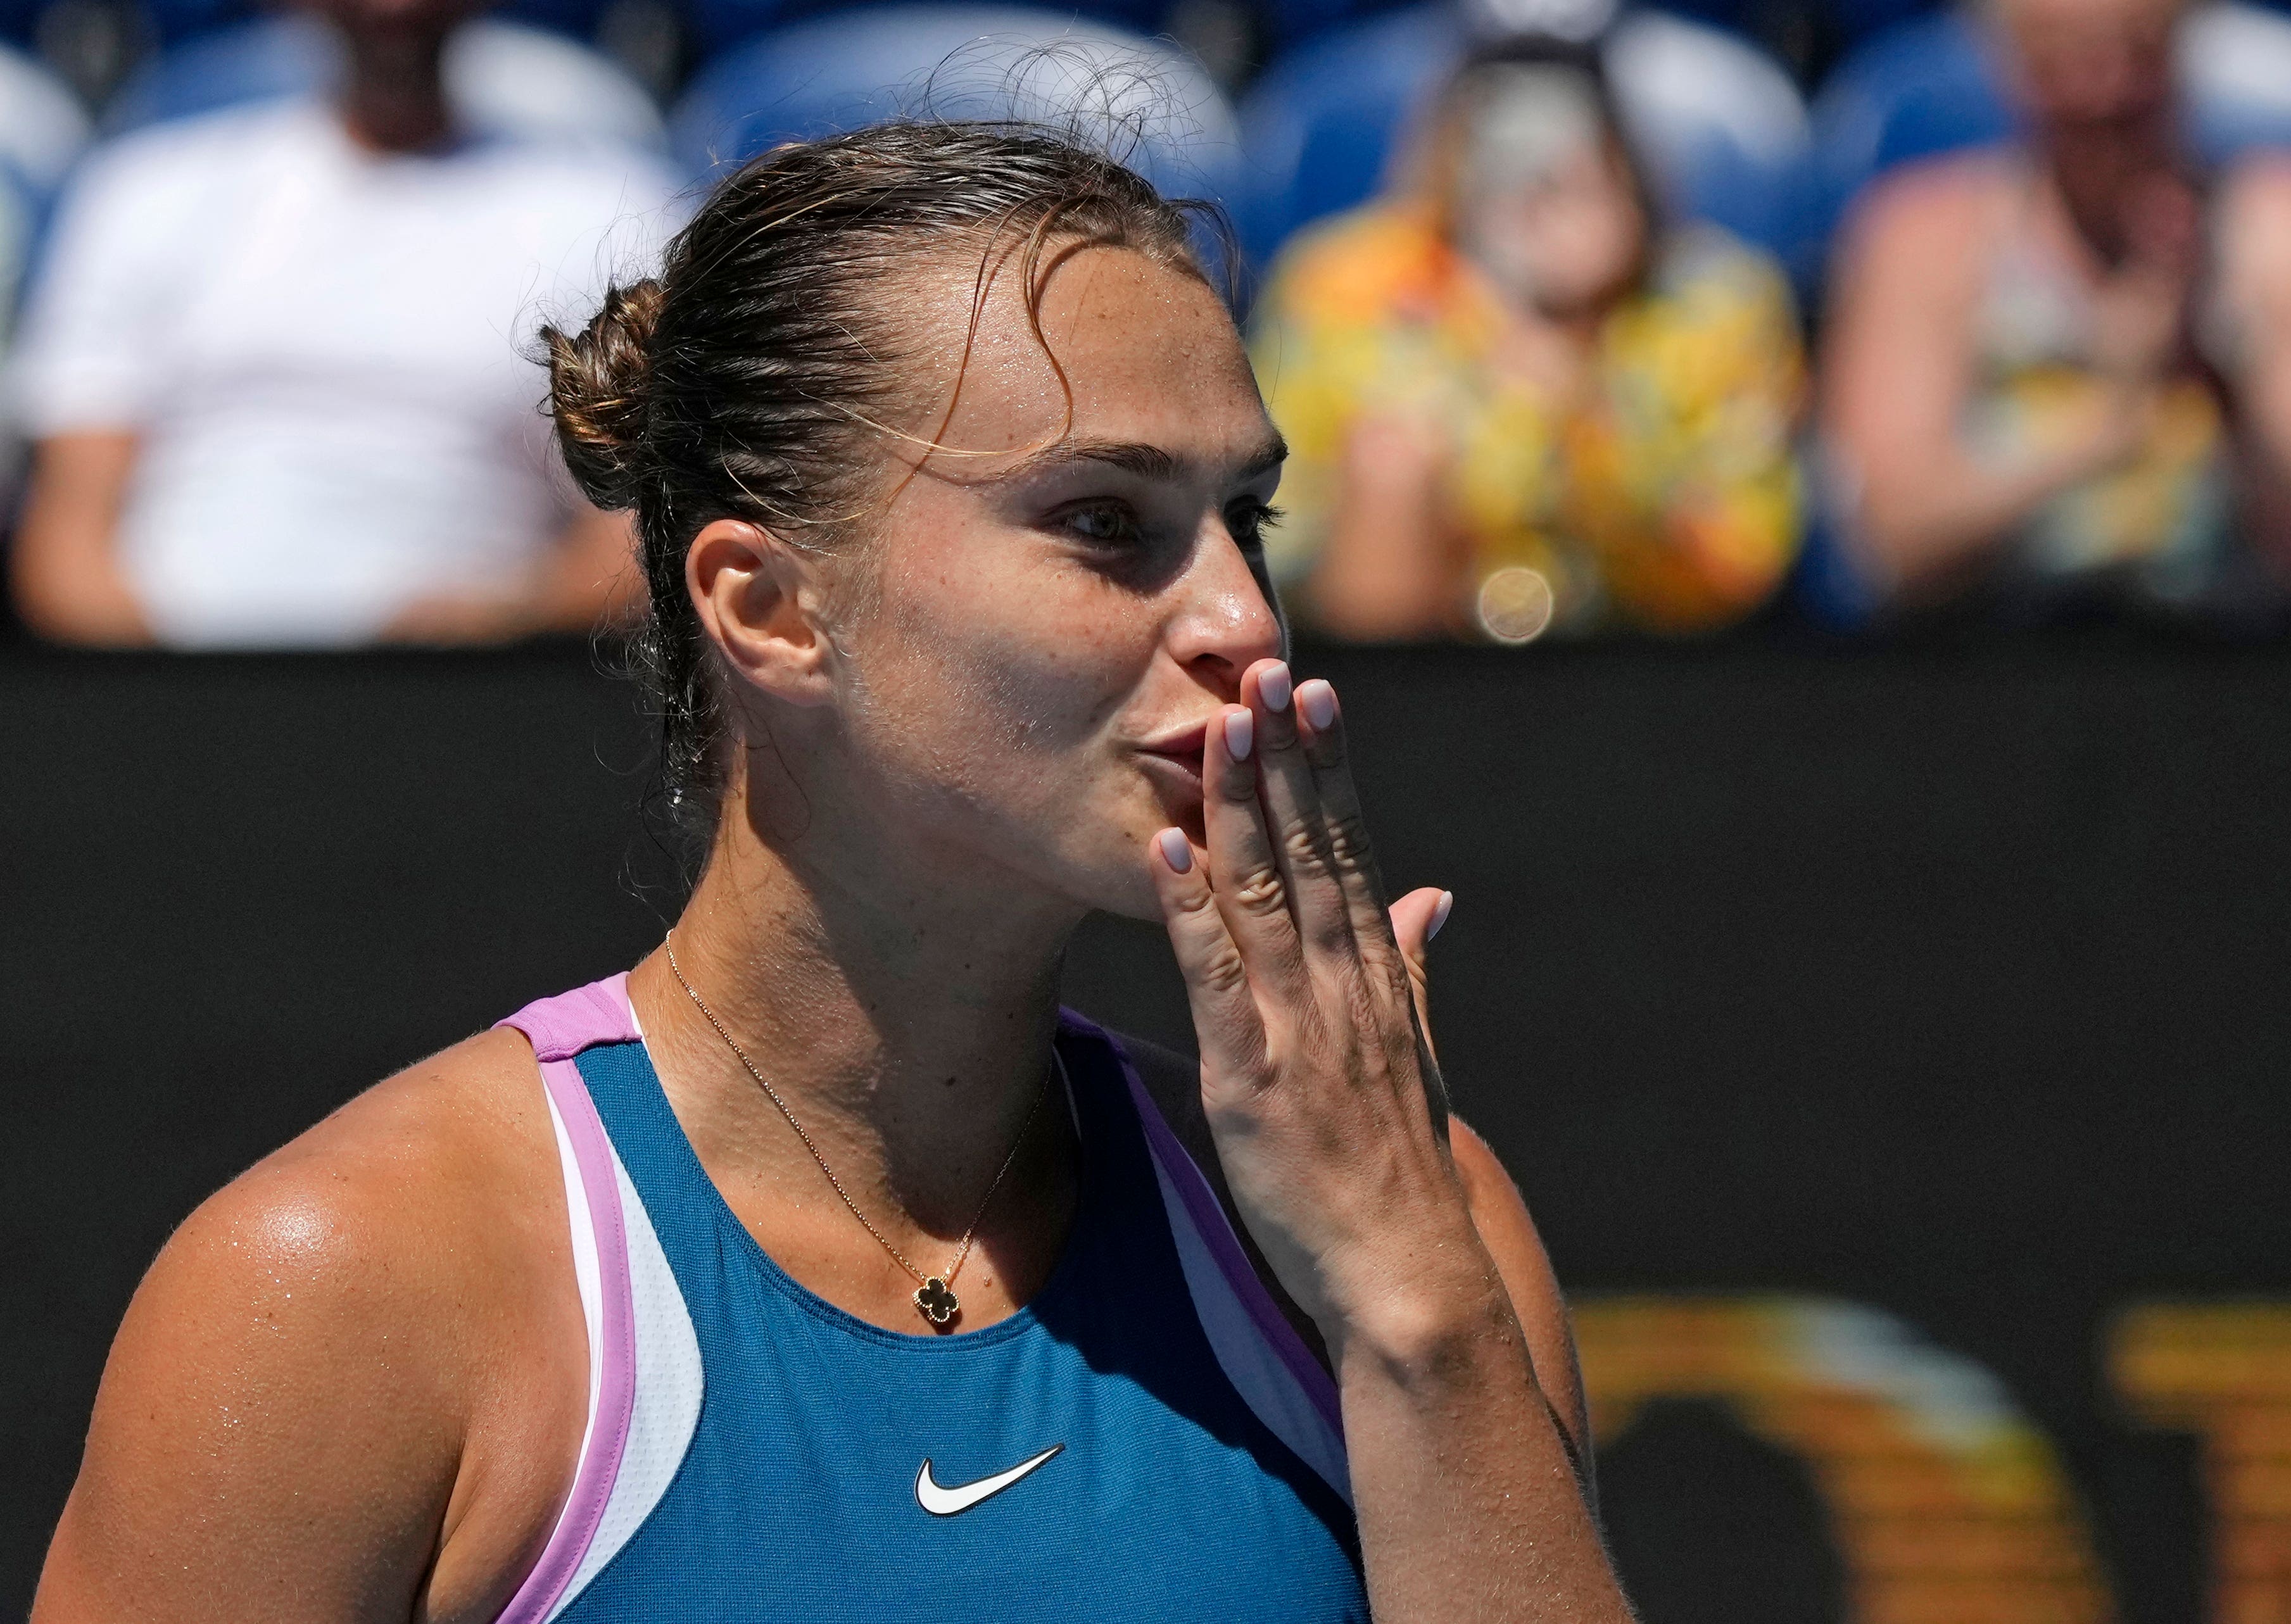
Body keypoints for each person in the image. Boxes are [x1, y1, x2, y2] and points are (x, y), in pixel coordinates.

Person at [31, 124, 1627, 1620]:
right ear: (768, 607)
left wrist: (1421, 1305)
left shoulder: (1411, 1219)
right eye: (1102, 520)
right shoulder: (338, 1289)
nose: (1243, 622)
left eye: (1246, 519)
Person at [4, 0, 678, 648]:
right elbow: (69, 532)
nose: (394, 11)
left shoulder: (606, 211)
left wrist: (513, 621)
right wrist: (182, 695)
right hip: (164, 705)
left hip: (468, 708)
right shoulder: (144, 195)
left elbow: (637, 534)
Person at [1815, 0, 2291, 624]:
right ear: (2007, 65)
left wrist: (2211, 375)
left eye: (2135, 54)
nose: (2103, 90)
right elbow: (1893, 547)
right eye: (2062, 61)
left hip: (2247, 668)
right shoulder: (1919, 240)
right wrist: (2112, 416)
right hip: (1991, 673)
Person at [1249, 37, 1805, 645]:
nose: (1541, 186)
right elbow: (1275, 528)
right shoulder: (1344, 286)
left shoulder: (1715, 302)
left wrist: (1586, 397)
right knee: (1392, 467)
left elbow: (1744, 562)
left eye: (1574, 154)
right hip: (1418, 646)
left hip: (1647, 652)